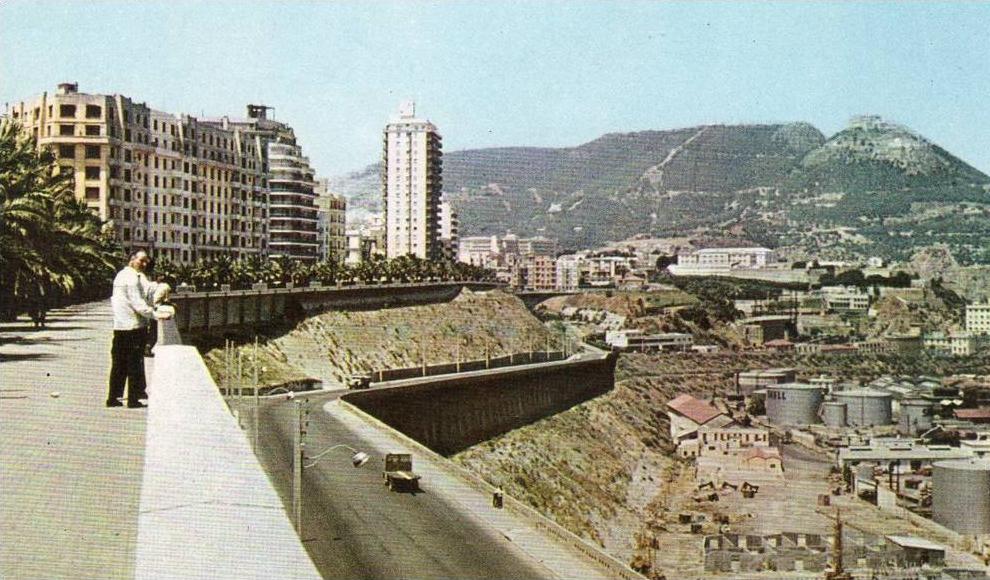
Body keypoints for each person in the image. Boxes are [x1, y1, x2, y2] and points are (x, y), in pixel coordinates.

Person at [106, 251, 171, 408]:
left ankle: (113, 398)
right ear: (132, 259)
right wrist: (157, 315)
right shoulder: (132, 279)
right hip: (134, 327)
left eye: (146, 261)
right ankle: (133, 400)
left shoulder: (121, 276)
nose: (144, 264)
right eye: (141, 260)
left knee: (119, 364)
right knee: (134, 363)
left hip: (120, 326)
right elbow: (139, 304)